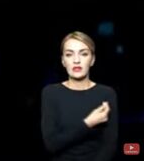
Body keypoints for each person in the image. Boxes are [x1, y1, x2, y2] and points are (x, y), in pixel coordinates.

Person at [41, 31, 118, 160]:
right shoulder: (50, 93)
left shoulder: (106, 93)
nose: (76, 60)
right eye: (69, 54)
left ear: (92, 60)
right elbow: (51, 145)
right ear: (63, 61)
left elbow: (110, 145)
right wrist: (88, 123)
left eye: (84, 54)